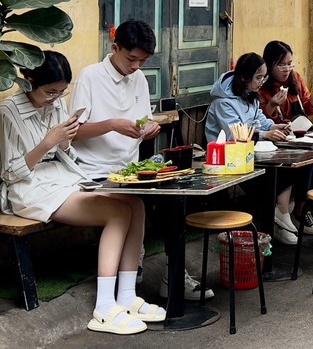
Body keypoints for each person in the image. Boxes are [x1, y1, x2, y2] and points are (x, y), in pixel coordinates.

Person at [0, 51, 162, 335]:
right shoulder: (7, 112)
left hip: (63, 178)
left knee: (135, 204)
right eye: (50, 92)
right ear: (28, 80)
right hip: (28, 188)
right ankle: (104, 308)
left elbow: (66, 154)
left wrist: (64, 142)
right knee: (117, 212)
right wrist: (48, 143)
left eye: (61, 92)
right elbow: (8, 174)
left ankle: (127, 297)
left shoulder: (57, 104)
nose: (56, 98)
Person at [71, 19, 210, 301]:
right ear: (115, 48)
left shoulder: (139, 79)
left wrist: (149, 129)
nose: (136, 66)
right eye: (131, 59)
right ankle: (133, 270)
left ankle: (172, 275)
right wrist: (111, 125)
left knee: (176, 199)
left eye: (143, 61)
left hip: (132, 169)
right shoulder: (90, 77)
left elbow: (142, 122)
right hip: (94, 171)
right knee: (138, 204)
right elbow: (74, 133)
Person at [205, 52, 298, 245]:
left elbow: (258, 118)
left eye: (263, 77)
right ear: (243, 77)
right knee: (269, 179)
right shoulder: (223, 102)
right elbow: (235, 134)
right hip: (227, 157)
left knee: (288, 169)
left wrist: (274, 126)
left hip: (250, 152)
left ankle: (280, 216)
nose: (261, 82)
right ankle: (276, 221)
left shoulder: (251, 95)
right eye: (258, 77)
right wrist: (265, 135)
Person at [258, 40, 313, 236]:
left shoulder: (295, 79)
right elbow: (260, 119)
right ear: (270, 65)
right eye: (282, 65)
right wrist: (271, 105)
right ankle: (299, 210)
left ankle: (306, 205)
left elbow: (305, 108)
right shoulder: (262, 86)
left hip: (299, 134)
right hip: (276, 138)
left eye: (290, 64)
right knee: (308, 155)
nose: (287, 69)